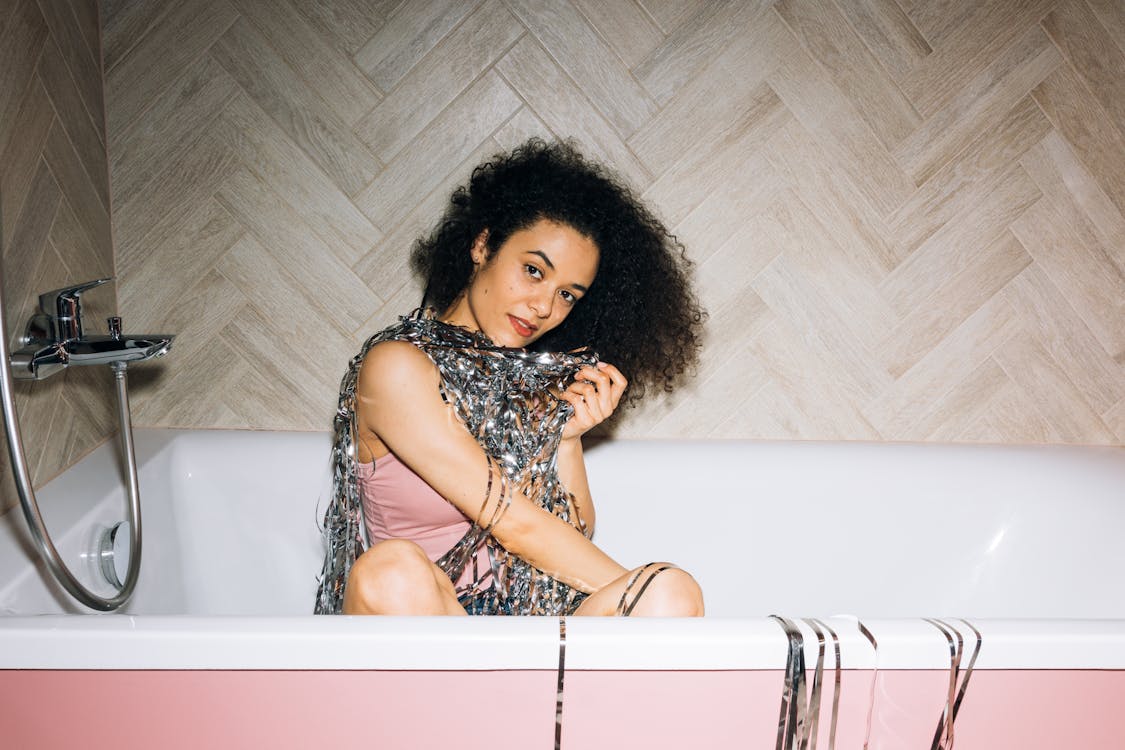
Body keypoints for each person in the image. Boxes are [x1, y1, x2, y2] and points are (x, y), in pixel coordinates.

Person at [314, 139, 706, 617]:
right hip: (432, 629)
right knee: (391, 569)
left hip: (527, 641)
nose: (544, 306)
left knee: (670, 589)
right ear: (482, 245)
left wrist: (565, 441)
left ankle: (530, 690)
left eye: (567, 295)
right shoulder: (395, 367)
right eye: (533, 270)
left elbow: (567, 544)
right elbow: (513, 523)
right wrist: (682, 625)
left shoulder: (528, 384)